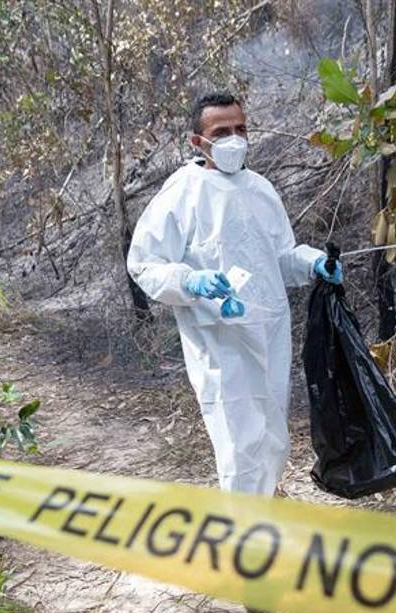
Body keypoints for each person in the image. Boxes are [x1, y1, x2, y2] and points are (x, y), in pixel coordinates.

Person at [127, 92, 343, 496]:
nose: (234, 139)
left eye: (240, 129)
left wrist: (313, 263)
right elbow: (144, 264)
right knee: (237, 442)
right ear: (197, 141)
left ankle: (265, 510)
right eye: (221, 132)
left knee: (272, 433)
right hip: (219, 341)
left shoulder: (260, 189)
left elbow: (279, 256)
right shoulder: (182, 194)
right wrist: (191, 281)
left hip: (269, 331)